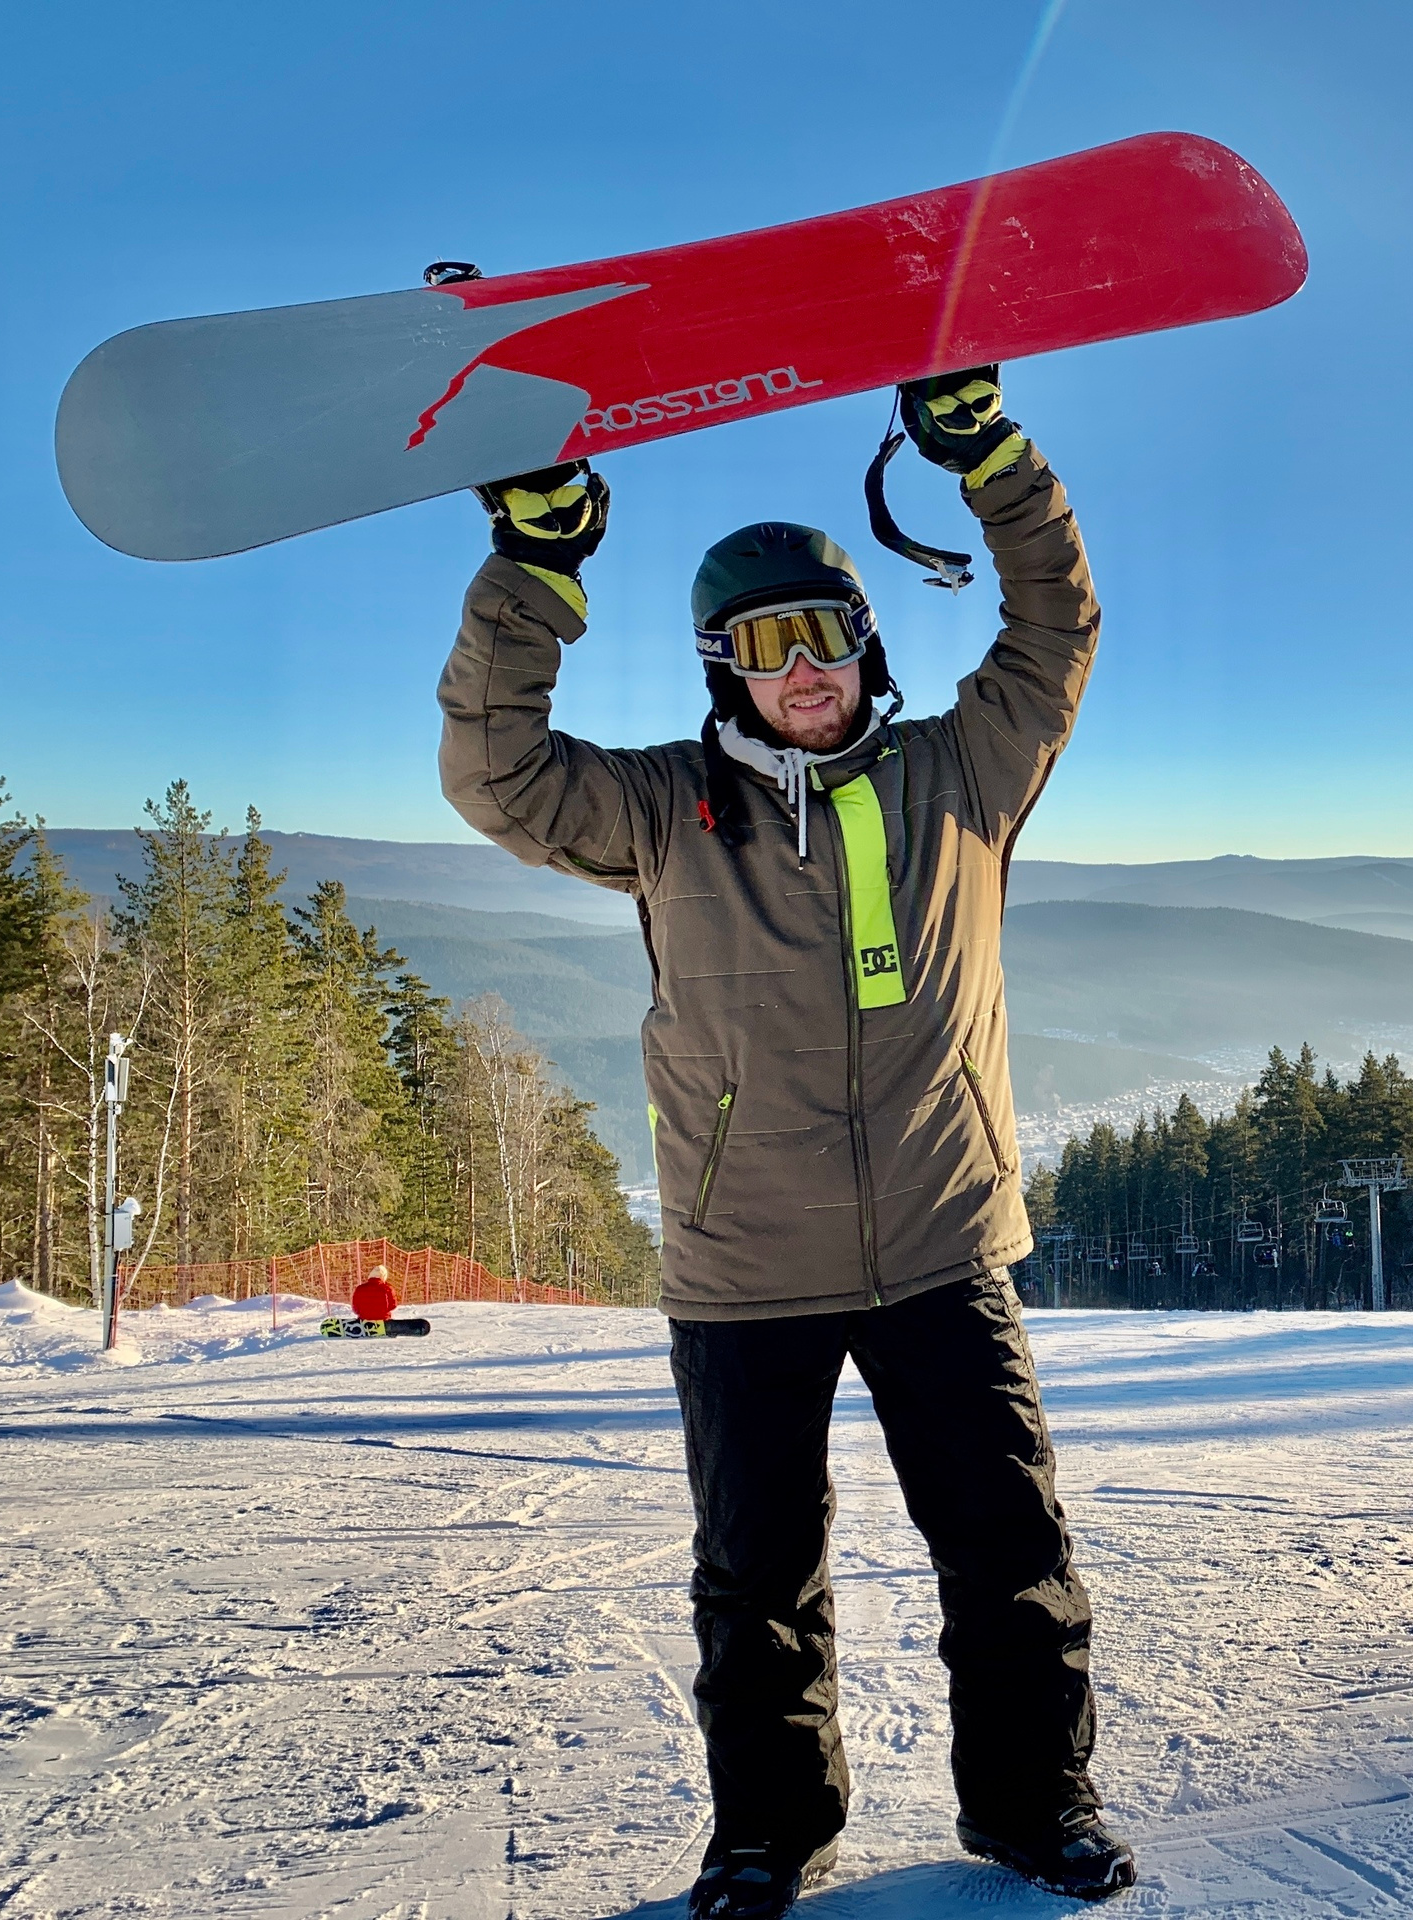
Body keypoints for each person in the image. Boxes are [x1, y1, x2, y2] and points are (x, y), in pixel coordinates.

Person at [437, 368, 1132, 1917]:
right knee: (757, 1585)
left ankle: (1035, 1809)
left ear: (865, 641)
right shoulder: (664, 811)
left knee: (1009, 1560)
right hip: (746, 1266)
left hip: (945, 1245)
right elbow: (496, 773)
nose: (801, 666)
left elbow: (1055, 630)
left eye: (824, 631)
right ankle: (766, 1837)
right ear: (720, 672)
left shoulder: (959, 772)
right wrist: (536, 571)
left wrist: (995, 461)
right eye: (764, 646)